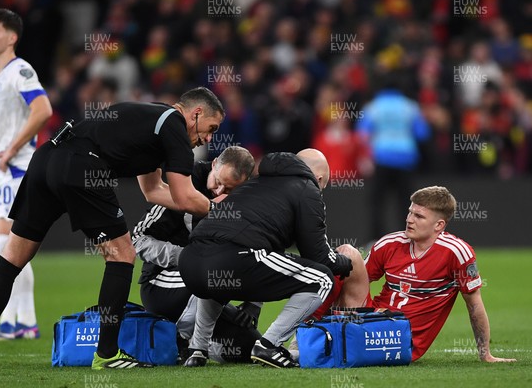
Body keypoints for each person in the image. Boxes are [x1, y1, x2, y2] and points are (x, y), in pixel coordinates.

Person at [0, 86, 225, 370]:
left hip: (47, 159)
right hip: (82, 166)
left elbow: (153, 191)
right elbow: (185, 196)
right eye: (210, 128)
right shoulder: (174, 126)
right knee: (122, 255)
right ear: (196, 114)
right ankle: (107, 354)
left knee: (13, 257)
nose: (208, 138)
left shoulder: (156, 119)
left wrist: (203, 206)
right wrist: (222, 212)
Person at [178, 149, 354, 368]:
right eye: (323, 187)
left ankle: (197, 349)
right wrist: (344, 262)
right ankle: (269, 345)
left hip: (189, 262)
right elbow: (317, 254)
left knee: (216, 280)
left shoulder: (257, 182)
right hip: (233, 256)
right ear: (318, 179)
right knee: (322, 279)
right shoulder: (307, 189)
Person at [132, 145, 260, 362]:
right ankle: (187, 341)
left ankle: (186, 342)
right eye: (218, 182)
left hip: (211, 288)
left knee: (247, 348)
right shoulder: (185, 184)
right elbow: (137, 239)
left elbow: (259, 249)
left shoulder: (247, 199)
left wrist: (254, 304)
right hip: (163, 284)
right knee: (214, 269)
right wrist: (187, 258)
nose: (219, 192)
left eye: (229, 190)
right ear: (213, 164)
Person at [365, 186, 517, 363]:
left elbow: (474, 304)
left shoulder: (456, 253)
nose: (409, 220)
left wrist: (485, 354)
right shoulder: (389, 243)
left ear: (439, 225)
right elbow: (355, 282)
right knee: (347, 255)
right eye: (410, 212)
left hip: (402, 340)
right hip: (370, 321)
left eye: (419, 216)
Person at [0, 9, 52, 340]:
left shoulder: (20, 70)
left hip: (14, 168)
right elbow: (3, 121)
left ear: (12, 37)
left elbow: (42, 110)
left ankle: (25, 320)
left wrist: (10, 149)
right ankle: (12, 321)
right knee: (1, 245)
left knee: (11, 245)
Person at [356, 81, 430, 240]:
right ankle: (409, 238)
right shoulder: (411, 107)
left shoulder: (373, 106)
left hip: (381, 158)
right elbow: (422, 133)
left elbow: (362, 134)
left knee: (377, 203)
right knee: (407, 203)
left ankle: (375, 239)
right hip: (406, 158)